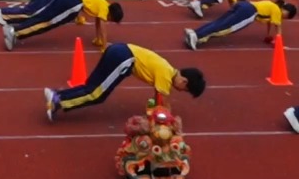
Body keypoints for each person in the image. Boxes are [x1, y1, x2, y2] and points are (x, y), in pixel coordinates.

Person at [43, 44, 205, 121]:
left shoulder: (167, 68)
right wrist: (166, 117)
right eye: (184, 89)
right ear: (184, 81)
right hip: (123, 58)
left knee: (92, 88)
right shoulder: (166, 74)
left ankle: (58, 95)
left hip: (119, 51)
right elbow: (160, 102)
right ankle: (58, 101)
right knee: (96, 94)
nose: (180, 90)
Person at [184, 0, 295, 49]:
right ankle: (197, 36)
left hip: (243, 5)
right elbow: (278, 27)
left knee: (219, 22)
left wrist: (268, 35)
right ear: (286, 11)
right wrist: (279, 43)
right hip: (249, 12)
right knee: (224, 28)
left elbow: (270, 24)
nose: (284, 18)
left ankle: (195, 32)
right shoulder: (277, 10)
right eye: (287, 16)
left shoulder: (272, 6)